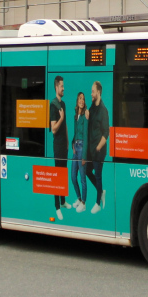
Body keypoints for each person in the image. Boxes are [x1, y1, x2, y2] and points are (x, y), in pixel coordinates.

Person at [85, 80, 109, 214]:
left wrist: (99, 147)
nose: (91, 94)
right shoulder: (92, 108)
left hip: (99, 150)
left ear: (98, 92)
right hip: (91, 150)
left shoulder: (103, 111)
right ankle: (101, 191)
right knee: (87, 171)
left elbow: (106, 132)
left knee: (98, 175)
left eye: (93, 91)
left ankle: (98, 203)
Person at [49, 76, 68, 219]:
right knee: (57, 176)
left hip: (64, 145)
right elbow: (54, 129)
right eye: (61, 86)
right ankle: (57, 207)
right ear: (56, 87)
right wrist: (61, 118)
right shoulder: (53, 105)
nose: (63, 88)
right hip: (57, 146)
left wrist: (68, 141)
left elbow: (65, 125)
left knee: (63, 174)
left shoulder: (64, 104)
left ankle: (63, 202)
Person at [70, 91, 88, 212]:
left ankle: (84, 202)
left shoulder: (86, 116)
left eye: (83, 99)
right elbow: (75, 132)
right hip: (75, 147)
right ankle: (78, 197)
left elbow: (86, 135)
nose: (81, 101)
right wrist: (72, 144)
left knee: (82, 178)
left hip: (82, 147)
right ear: (77, 101)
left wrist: (84, 155)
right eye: (80, 99)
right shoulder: (76, 116)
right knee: (72, 176)